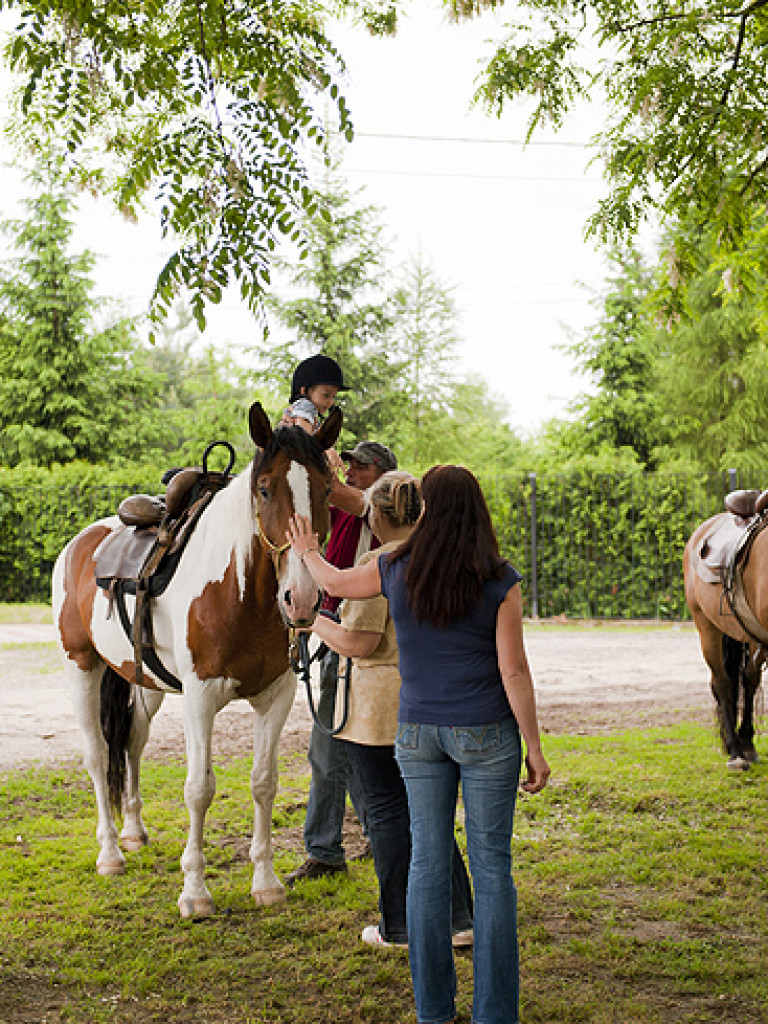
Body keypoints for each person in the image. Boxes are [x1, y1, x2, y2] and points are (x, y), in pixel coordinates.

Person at [287, 464, 551, 1024]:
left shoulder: (392, 565)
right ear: (478, 509)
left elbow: (331, 584)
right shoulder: (499, 577)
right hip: (487, 734)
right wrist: (534, 743)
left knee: (427, 866)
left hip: (417, 735)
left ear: (427, 508)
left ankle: (433, 1011)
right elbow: (515, 670)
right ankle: (495, 1014)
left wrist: (307, 550)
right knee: (492, 870)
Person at [302, 471, 474, 947]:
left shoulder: (381, 562)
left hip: (378, 713)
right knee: (430, 817)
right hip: (433, 701)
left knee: (387, 816)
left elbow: (360, 640)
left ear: (376, 515)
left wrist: (312, 621)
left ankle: (398, 924)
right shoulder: (443, 559)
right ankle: (460, 917)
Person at [284, 438, 399, 885]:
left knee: (329, 744)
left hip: (350, 632)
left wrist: (308, 452)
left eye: (361, 467)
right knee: (350, 742)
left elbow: (333, 492)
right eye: (348, 465)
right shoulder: (358, 511)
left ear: (384, 476)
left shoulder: (375, 505)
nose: (351, 473)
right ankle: (373, 831)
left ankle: (325, 850)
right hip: (341, 625)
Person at [279, 353, 348, 430]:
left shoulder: (309, 414)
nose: (330, 402)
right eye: (326, 395)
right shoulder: (305, 406)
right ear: (304, 391)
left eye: (333, 396)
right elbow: (303, 434)